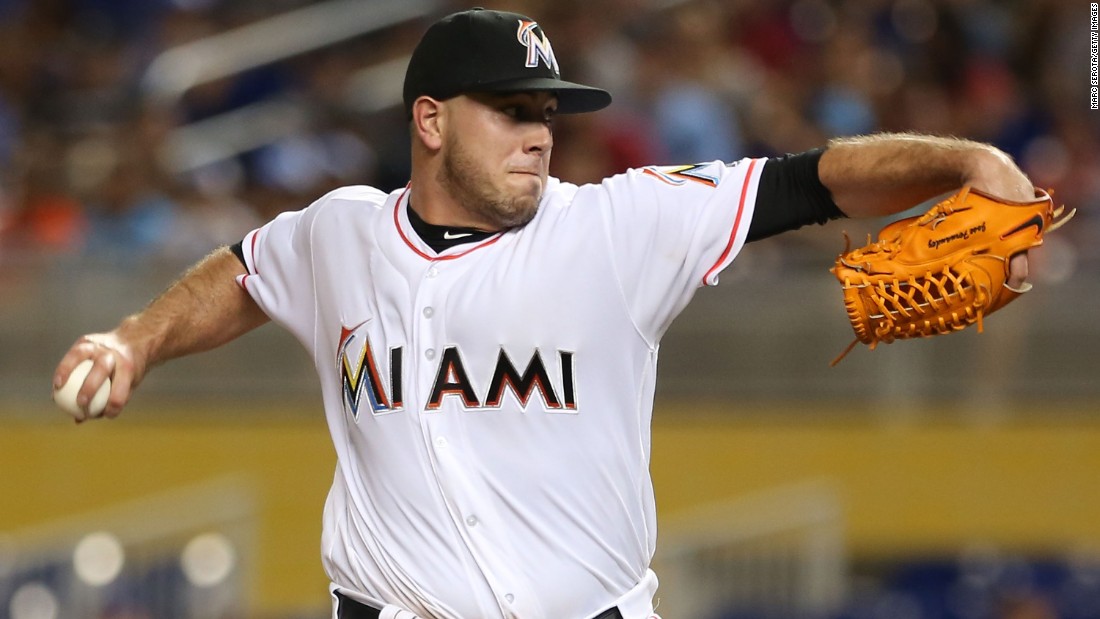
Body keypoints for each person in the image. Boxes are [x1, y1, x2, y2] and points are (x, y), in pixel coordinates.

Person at [53, 8, 1039, 619]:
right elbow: (243, 273)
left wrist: (965, 165)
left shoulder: (619, 223)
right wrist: (135, 336)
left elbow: (806, 181)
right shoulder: (337, 233)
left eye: (545, 112)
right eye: (511, 110)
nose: (539, 133)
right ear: (429, 120)